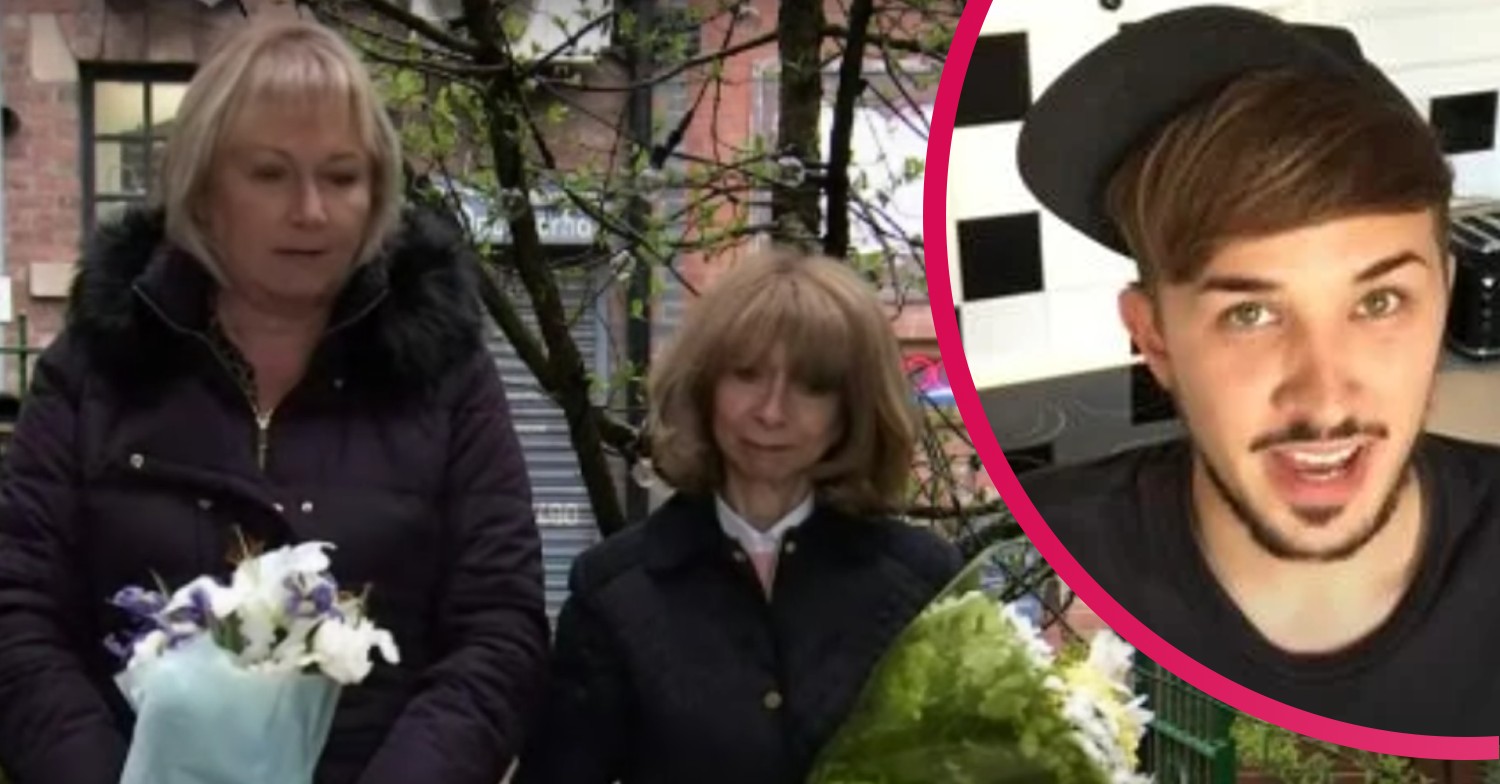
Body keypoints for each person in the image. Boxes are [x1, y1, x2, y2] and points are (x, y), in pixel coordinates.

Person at [0, 17, 549, 784]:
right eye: (269, 174)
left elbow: (498, 631)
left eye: (341, 175)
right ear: (203, 186)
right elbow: (19, 616)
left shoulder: (444, 374)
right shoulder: (95, 365)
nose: (311, 211)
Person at [1013, 5, 1500, 736]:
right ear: (1156, 340)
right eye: (1250, 314)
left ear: (1445, 299)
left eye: (1379, 300)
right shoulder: (1028, 576)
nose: (1326, 394)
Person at [513, 249, 964, 784]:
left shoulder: (921, 581)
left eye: (810, 385)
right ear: (705, 386)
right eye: (747, 375)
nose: (771, 412)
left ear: (852, 408)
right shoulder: (615, 592)